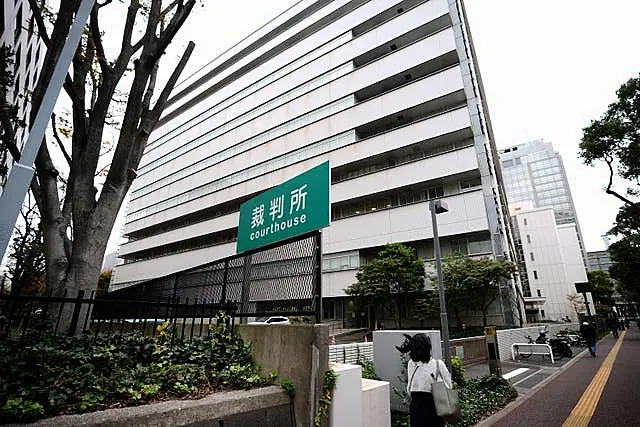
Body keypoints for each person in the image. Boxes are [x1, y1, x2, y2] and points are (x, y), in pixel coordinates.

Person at [396, 333, 452, 427]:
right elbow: (449, 386)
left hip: (416, 407)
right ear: (428, 348)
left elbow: (410, 387)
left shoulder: (411, 364)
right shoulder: (438, 364)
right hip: (434, 406)